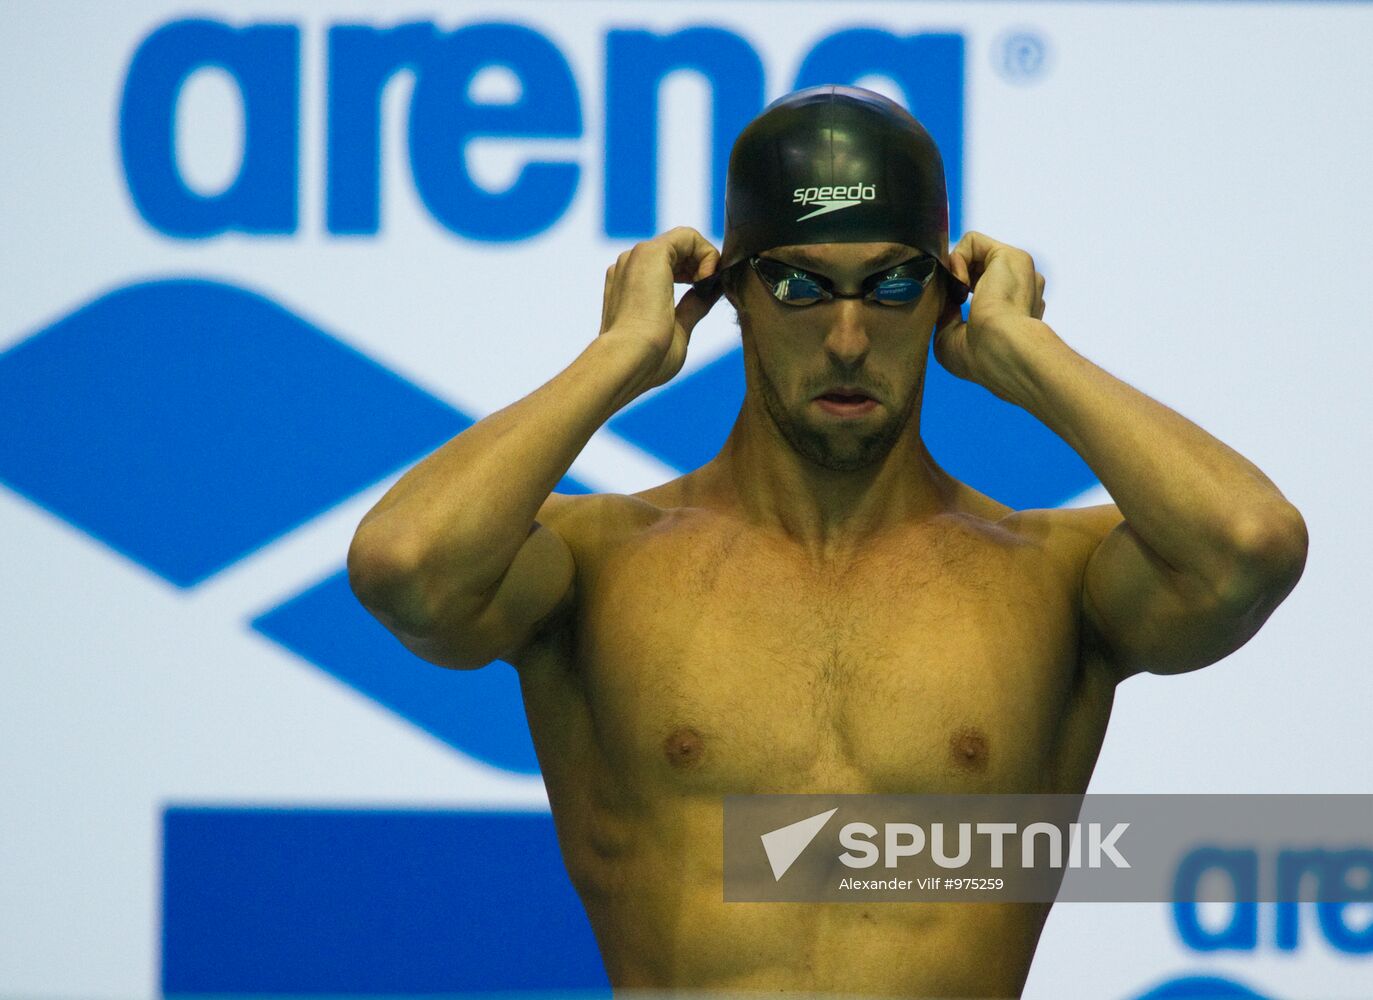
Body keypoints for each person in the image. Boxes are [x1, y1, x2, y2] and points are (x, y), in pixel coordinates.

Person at [346, 85, 1308, 998]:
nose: (847, 339)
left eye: (890, 286)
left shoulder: (1052, 576)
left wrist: (1027, 354)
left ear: (944, 295)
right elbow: (406, 567)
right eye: (801, 287)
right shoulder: (599, 562)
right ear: (732, 292)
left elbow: (1248, 544)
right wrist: (619, 356)